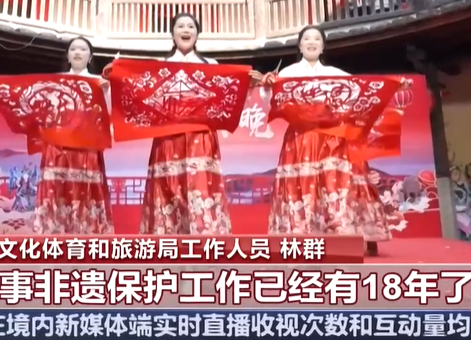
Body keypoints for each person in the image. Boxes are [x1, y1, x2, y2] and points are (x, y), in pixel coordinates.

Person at [104, 13, 255, 235]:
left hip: (201, 137)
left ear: (197, 33)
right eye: (180, 26)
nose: (186, 30)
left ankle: (206, 239)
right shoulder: (160, 67)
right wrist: (115, 77)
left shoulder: (211, 65)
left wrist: (247, 83)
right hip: (168, 137)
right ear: (173, 34)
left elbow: (228, 97)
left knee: (201, 184)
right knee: (168, 184)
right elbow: (137, 92)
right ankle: (166, 237)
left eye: (191, 26)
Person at [263, 25, 389, 255]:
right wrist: (268, 86)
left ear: (322, 47)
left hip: (333, 137)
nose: (311, 42)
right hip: (302, 136)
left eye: (317, 39)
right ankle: (301, 236)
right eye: (307, 39)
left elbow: (363, 90)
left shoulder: (336, 73)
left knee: (337, 183)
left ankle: (346, 233)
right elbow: (271, 101)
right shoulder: (288, 73)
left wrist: (396, 84)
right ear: (300, 46)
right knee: (301, 184)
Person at [34, 37, 113, 234]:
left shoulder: (99, 83)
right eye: (74, 49)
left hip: (86, 147)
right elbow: (44, 113)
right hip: (57, 147)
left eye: (83, 49)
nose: (78, 52)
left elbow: (108, 115)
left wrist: (106, 92)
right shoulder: (55, 82)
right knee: (55, 190)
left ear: (90, 57)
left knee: (86, 191)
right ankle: (52, 238)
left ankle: (88, 237)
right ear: (68, 56)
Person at [451, 166, 471, 241]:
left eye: (458, 174)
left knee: (469, 233)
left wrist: (468, 204)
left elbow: (469, 199)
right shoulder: (447, 189)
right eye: (455, 173)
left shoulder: (463, 187)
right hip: (453, 215)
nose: (457, 176)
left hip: (464, 213)